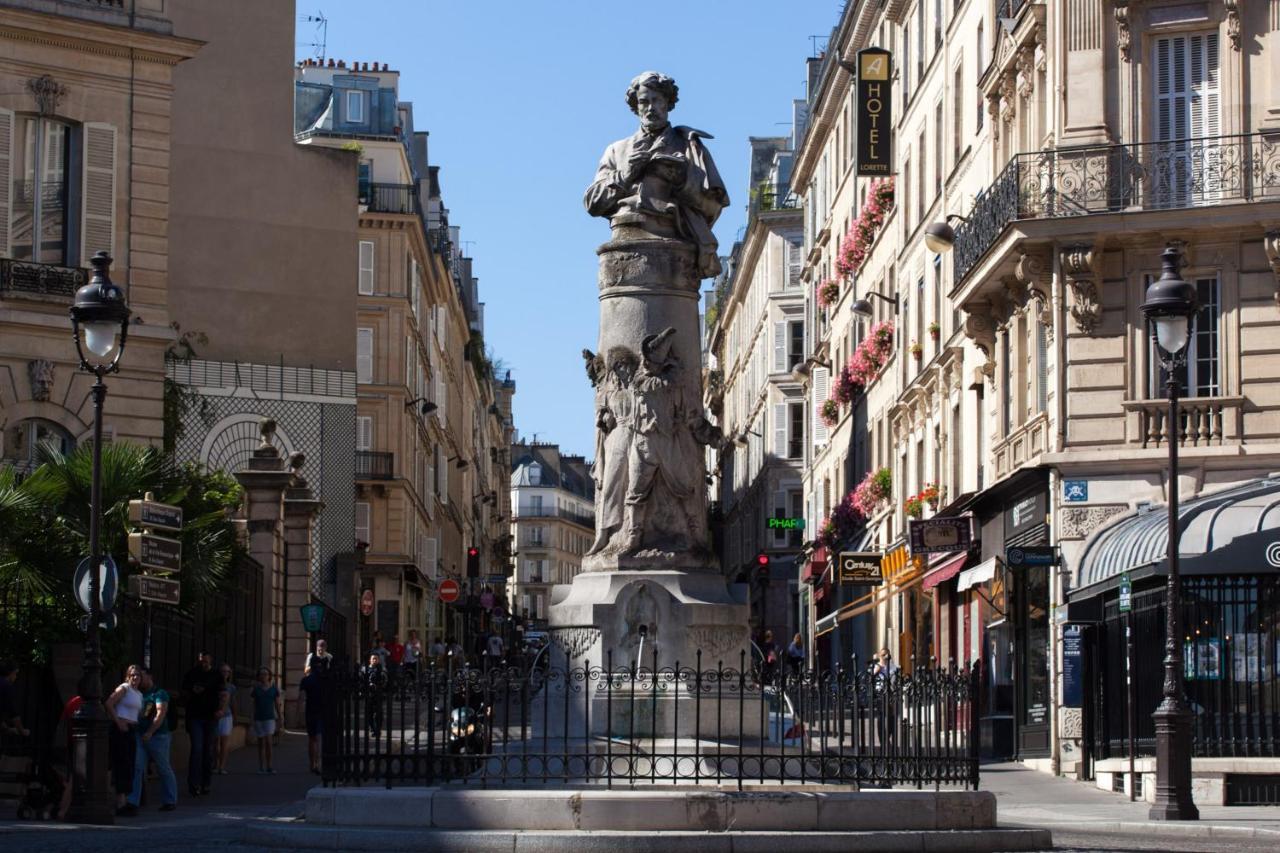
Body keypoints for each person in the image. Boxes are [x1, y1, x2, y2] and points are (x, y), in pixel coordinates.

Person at [583, 71, 729, 279]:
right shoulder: (617, 150)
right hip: (625, 245)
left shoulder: (690, 147)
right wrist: (625, 175)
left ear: (667, 104)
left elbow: (713, 207)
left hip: (674, 248)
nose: (650, 108)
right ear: (636, 106)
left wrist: (681, 182)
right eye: (644, 101)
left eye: (657, 100)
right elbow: (592, 203)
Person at [127, 669, 177, 812]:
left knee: (163, 768)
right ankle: (132, 801)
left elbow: (160, 713)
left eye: (142, 676)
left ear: (150, 677)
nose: (139, 679)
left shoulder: (159, 693)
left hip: (158, 736)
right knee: (137, 768)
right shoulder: (137, 693)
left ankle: (170, 800)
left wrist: (150, 732)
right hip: (140, 734)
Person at [180, 651, 224, 796]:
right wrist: (192, 692)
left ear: (210, 661)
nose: (203, 663)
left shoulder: (217, 675)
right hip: (195, 716)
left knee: (208, 750)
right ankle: (194, 783)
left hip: (211, 716)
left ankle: (206, 782)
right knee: (197, 749)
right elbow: (184, 692)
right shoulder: (192, 674)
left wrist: (220, 709)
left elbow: (223, 694)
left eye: (205, 661)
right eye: (201, 661)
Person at [104, 665, 143, 816]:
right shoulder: (124, 688)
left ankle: (125, 800)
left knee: (130, 765)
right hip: (120, 729)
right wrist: (118, 722)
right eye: (132, 675)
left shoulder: (139, 694)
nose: (135, 678)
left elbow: (136, 713)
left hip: (131, 730)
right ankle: (120, 801)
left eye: (138, 675)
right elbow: (109, 703)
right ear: (128, 676)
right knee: (122, 763)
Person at [250, 668, 281, 774]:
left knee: (269, 742)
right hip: (258, 718)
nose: (264, 676)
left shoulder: (274, 689)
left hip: (270, 718)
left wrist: (280, 718)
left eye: (266, 674)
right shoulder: (256, 690)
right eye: (261, 674)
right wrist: (252, 718)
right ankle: (261, 766)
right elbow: (253, 705)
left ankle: (270, 766)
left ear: (269, 676)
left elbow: (277, 704)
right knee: (261, 743)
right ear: (259, 677)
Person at [298, 668, 325, 775]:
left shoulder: (306, 680)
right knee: (318, 739)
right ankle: (318, 764)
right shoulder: (324, 679)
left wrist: (298, 714)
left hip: (310, 711)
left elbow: (301, 697)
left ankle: (312, 764)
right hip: (322, 711)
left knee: (312, 739)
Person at [213, 663, 235, 775]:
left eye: (227, 672)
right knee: (215, 742)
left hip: (226, 716)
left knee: (224, 742)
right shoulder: (213, 685)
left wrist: (234, 717)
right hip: (214, 715)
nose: (225, 674)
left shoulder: (231, 687)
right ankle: (215, 765)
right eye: (223, 671)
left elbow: (233, 703)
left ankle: (222, 766)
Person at [363, 654, 388, 740]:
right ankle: (372, 729)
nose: (375, 660)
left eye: (376, 659)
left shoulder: (381, 670)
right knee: (369, 712)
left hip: (378, 694)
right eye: (373, 659)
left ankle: (378, 729)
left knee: (378, 713)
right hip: (369, 694)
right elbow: (361, 681)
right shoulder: (365, 669)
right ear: (370, 660)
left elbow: (385, 681)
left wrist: (380, 685)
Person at [0, 662, 28, 737]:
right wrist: (21, 731)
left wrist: (8, 729)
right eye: (15, 673)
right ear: (10, 673)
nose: (16, 677)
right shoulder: (6, 686)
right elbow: (13, 712)